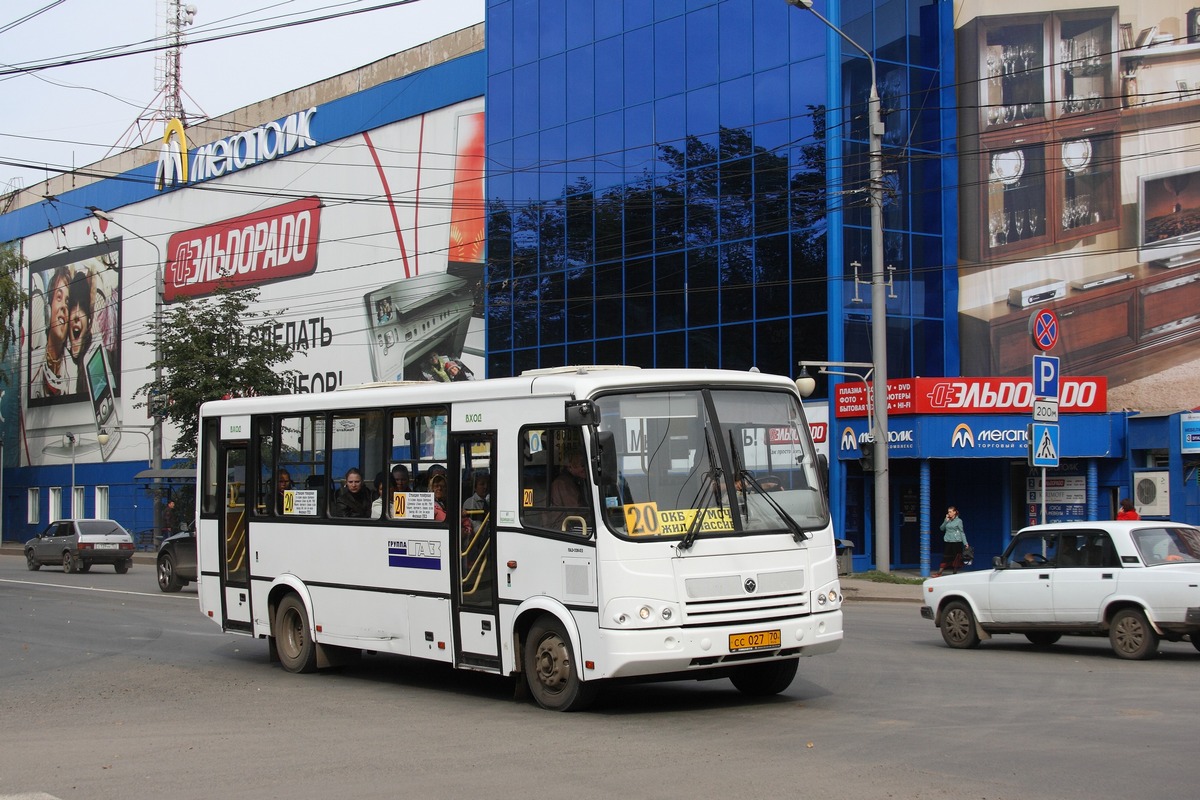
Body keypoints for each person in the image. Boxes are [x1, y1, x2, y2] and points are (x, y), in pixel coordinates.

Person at [30, 266, 74, 398]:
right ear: (48, 310)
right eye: (59, 298)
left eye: (67, 302)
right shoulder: (32, 364)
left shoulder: (73, 371)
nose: (63, 307)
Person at [932, 506, 968, 577]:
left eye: (950, 512)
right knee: (945, 557)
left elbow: (962, 532)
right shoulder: (947, 520)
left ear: (954, 512)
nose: (949, 513)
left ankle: (954, 573)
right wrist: (946, 521)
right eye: (948, 512)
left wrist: (965, 543)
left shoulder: (959, 521)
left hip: (957, 541)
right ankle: (939, 573)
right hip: (948, 541)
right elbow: (941, 528)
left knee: (956, 558)